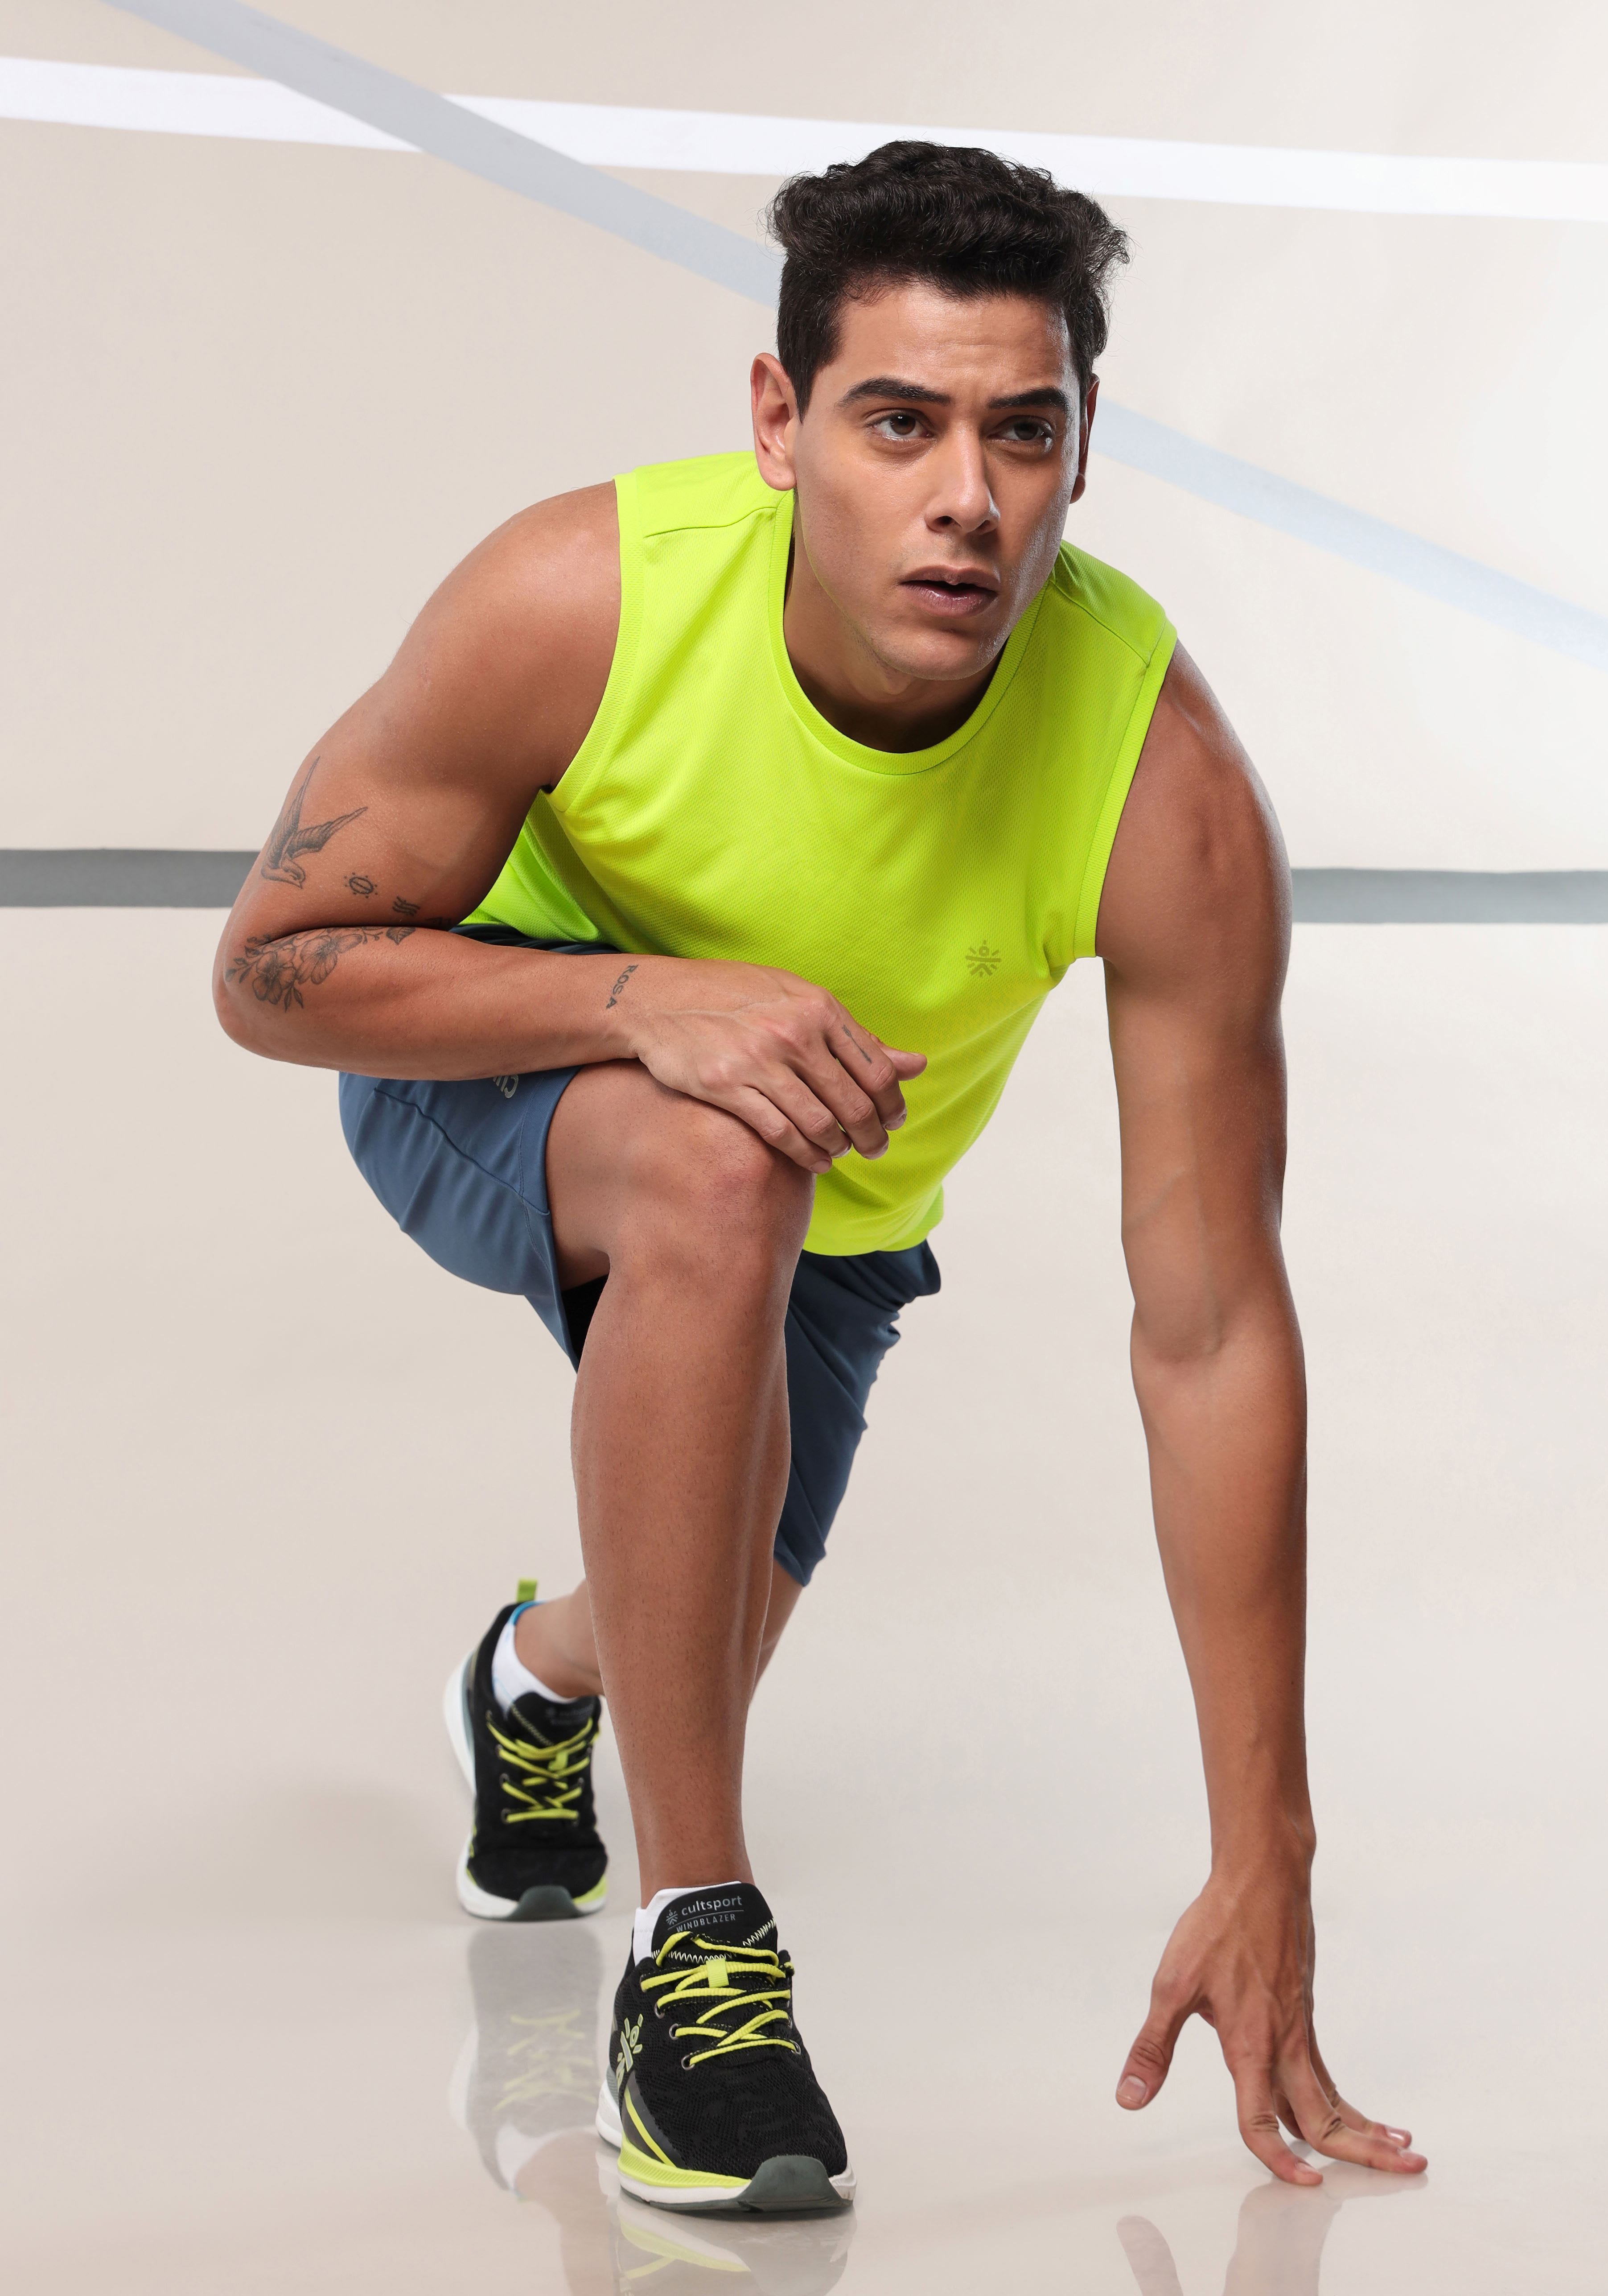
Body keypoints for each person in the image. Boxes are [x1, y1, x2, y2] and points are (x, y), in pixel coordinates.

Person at [214, 140, 1426, 2217]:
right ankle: (699, 1963)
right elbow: (271, 969)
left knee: (685, 1626)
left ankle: (534, 1682)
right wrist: (642, 1001)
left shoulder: (1165, 786)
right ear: (781, 423)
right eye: (899, 422)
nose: (969, 496)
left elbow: (1213, 1326)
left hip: (831, 1223)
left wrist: (1269, 1856)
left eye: (1021, 431)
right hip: (493, 1070)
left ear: (1083, 447)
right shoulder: (580, 598)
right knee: (716, 1162)